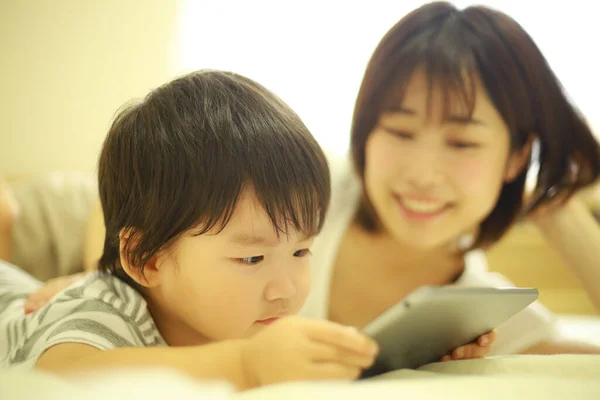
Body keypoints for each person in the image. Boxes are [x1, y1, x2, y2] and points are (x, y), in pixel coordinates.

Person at [0, 69, 493, 387]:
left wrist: (412, 361)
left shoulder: (236, 316)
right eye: (252, 259)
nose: (287, 288)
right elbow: (60, 376)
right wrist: (245, 365)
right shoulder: (109, 310)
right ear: (148, 259)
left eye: (301, 252)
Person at [298, 2, 600, 357]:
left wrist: (557, 211)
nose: (423, 176)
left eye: (462, 143)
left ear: (517, 157)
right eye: (400, 132)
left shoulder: (482, 320)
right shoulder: (298, 195)